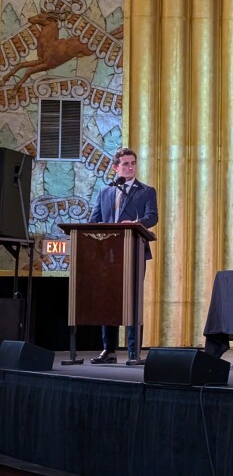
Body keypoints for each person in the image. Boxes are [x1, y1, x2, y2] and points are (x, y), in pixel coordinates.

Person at [89, 147, 159, 364]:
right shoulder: (105, 192)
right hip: (108, 254)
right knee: (107, 301)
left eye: (133, 163)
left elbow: (152, 217)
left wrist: (137, 224)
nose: (130, 167)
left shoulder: (146, 191)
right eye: (126, 164)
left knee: (133, 300)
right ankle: (108, 350)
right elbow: (94, 220)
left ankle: (133, 352)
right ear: (115, 167)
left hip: (134, 250)